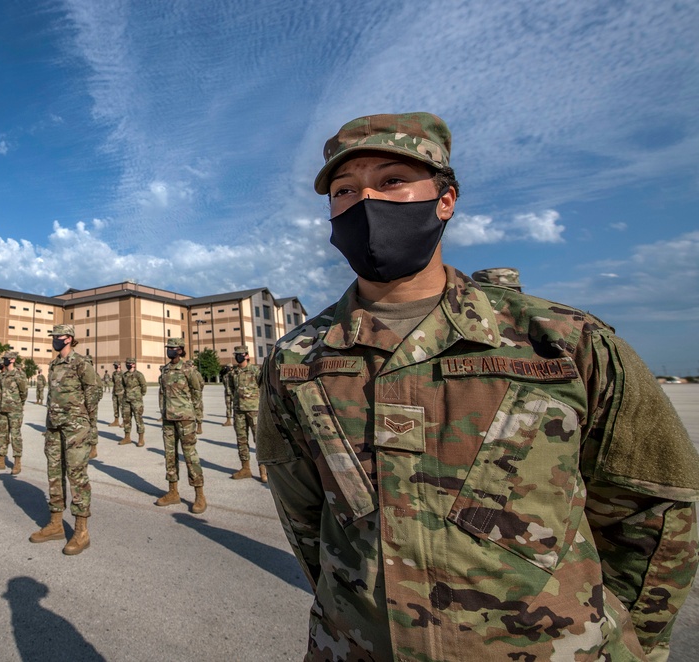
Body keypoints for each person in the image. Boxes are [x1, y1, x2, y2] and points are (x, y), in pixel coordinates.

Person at [256, 112, 699, 661]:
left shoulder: (562, 341)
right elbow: (307, 521)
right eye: (345, 190)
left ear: (445, 201)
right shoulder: (298, 360)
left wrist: (626, 643)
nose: (364, 200)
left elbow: (652, 511)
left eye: (392, 181)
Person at [29, 325, 98, 555]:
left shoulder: (81, 363)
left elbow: (93, 394)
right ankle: (56, 524)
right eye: (53, 337)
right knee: (54, 474)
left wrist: (89, 426)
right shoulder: (54, 364)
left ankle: (81, 531)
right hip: (54, 427)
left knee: (77, 477)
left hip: (76, 428)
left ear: (68, 338)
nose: (54, 340)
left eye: (57, 337)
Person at [155, 338, 206, 513]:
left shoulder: (188, 369)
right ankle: (173, 492)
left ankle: (199, 494)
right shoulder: (166, 370)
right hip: (168, 419)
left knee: (190, 456)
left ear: (180, 350)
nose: (169, 350)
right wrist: (162, 413)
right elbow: (162, 393)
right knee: (170, 456)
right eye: (168, 348)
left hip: (185, 418)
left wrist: (198, 417)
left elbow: (197, 391)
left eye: (172, 348)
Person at [0, 351, 28, 475]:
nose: (4, 360)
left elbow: (23, 392)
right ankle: (0, 460)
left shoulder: (19, 374)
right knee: (3, 435)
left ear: (12, 360)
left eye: (6, 358)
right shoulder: (2, 375)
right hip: (2, 409)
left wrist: (19, 404)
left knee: (15, 436)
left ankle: (17, 462)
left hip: (14, 410)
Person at [230, 345, 264, 482]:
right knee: (241, 440)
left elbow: (263, 387)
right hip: (239, 410)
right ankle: (245, 468)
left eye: (240, 354)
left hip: (254, 410)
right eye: (236, 354)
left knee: (259, 440)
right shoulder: (233, 373)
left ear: (247, 355)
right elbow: (232, 390)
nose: (238, 357)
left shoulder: (255, 370)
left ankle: (264, 470)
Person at [119, 358, 147, 446]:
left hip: (136, 401)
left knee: (138, 419)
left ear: (134, 364)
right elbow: (123, 385)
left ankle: (141, 439)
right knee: (126, 419)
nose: (128, 365)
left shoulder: (139, 375)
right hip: (126, 400)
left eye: (129, 363)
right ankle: (127, 437)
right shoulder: (124, 375)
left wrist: (139, 395)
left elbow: (144, 386)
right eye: (127, 363)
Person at [108, 363, 123, 428]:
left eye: (116, 365)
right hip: (115, 392)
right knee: (115, 407)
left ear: (119, 365)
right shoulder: (114, 373)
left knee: (122, 407)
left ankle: (125, 422)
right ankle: (116, 421)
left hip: (121, 393)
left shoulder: (123, 374)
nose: (115, 366)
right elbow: (114, 382)